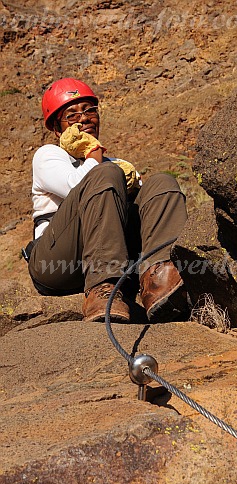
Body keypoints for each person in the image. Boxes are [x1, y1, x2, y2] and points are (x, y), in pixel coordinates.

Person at [25, 77, 189, 323]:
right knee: (106, 174)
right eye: (72, 115)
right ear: (57, 128)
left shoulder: (113, 165)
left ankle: (159, 279)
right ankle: (102, 288)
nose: (84, 118)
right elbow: (74, 185)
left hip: (115, 254)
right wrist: (93, 153)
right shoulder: (49, 155)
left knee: (161, 183)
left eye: (90, 111)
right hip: (56, 264)